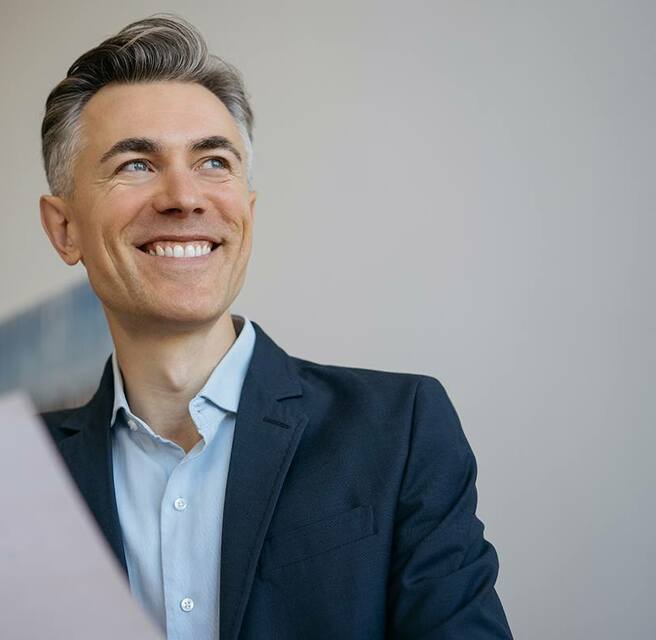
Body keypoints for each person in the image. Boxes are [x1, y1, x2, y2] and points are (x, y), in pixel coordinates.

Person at [37, 14, 512, 640]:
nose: (184, 196)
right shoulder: (19, 479)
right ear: (64, 228)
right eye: (135, 165)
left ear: (247, 213)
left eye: (213, 162)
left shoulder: (398, 428)